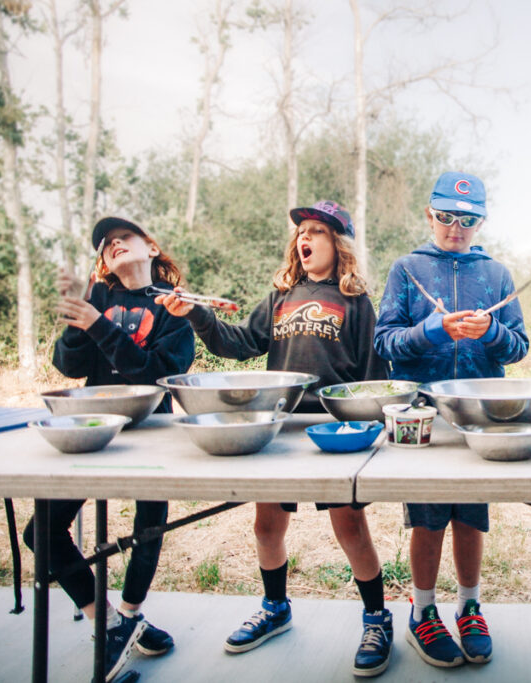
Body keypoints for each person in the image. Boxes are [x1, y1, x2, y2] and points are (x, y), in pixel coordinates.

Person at [157, 200, 393, 678]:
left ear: (338, 244)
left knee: (350, 529)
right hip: (281, 426)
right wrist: (195, 316)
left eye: (317, 232)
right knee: (267, 527)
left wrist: (374, 426)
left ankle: (376, 618)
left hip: (334, 427)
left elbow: (373, 374)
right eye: (301, 232)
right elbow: (239, 344)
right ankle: (275, 606)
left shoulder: (355, 300)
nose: (304, 239)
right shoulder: (280, 297)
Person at [25, 216, 196, 682]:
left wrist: (99, 324)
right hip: (95, 432)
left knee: (149, 526)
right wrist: (79, 314)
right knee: (41, 531)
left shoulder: (173, 308)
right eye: (106, 245)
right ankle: (112, 623)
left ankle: (130, 611)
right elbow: (69, 365)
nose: (114, 244)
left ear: (152, 247)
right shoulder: (98, 297)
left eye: (124, 237)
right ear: (102, 263)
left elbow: (157, 374)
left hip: (153, 434)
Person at [373, 171, 529, 668]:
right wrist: (433, 331)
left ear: (480, 222)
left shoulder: (497, 274)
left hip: (480, 416)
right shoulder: (406, 268)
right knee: (428, 518)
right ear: (429, 215)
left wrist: (491, 332)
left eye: (467, 219)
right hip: (423, 416)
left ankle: (469, 606)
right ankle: (422, 613)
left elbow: (519, 348)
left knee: (470, 516)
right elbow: (385, 342)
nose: (455, 228)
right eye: (445, 216)